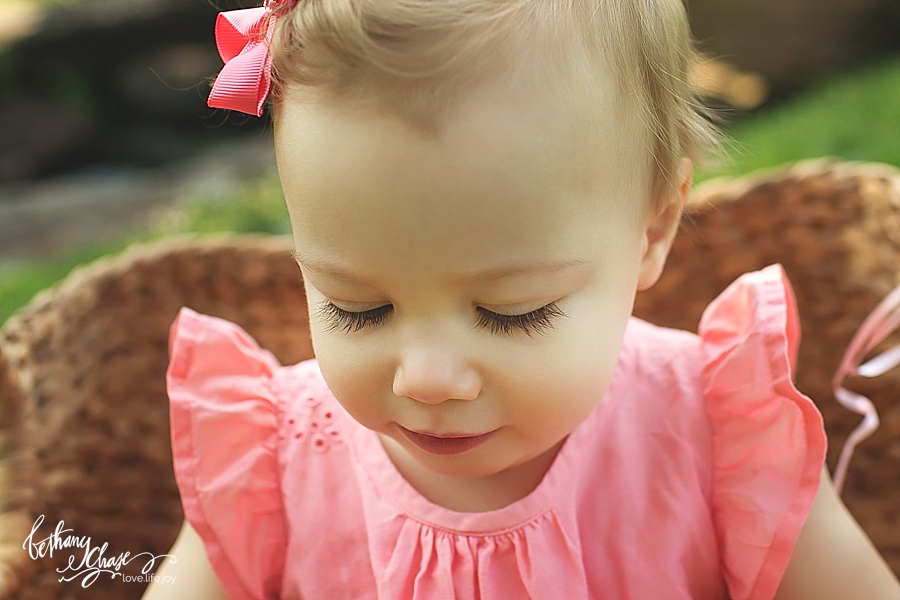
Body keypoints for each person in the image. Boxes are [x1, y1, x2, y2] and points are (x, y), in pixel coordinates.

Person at [143, 0, 900, 598]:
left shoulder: (715, 435)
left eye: (512, 312)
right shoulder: (271, 461)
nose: (428, 378)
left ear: (652, 229)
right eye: (357, 307)